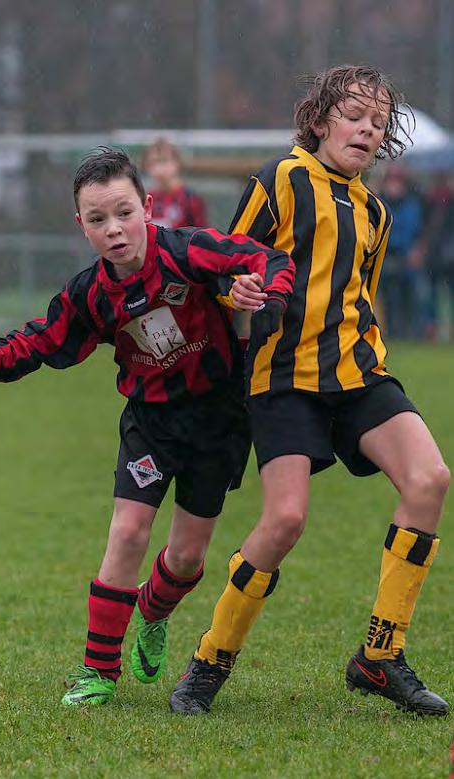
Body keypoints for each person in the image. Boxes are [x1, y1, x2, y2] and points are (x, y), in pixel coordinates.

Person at [0, 147, 295, 707]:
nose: (114, 229)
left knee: (185, 559)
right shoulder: (89, 294)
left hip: (220, 422)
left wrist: (269, 294)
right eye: (98, 219)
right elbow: (41, 339)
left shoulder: (189, 251)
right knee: (128, 533)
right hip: (151, 424)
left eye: (124, 212)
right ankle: (98, 672)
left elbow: (267, 258)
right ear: (79, 225)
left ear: (148, 207)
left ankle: (153, 614)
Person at [169, 64, 450, 717]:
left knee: (429, 479)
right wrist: (232, 289)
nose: (366, 129)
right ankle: (209, 659)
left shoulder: (374, 212)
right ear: (320, 121)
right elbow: (225, 259)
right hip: (283, 377)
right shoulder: (280, 179)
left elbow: (361, 296)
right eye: (354, 115)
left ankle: (378, 656)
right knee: (285, 519)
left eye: (377, 123)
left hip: (358, 373)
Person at [377, 163, 427, 340]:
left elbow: (419, 231)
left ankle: (411, 332)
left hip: (406, 259)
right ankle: (393, 332)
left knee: (410, 297)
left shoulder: (412, 204)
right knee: (389, 299)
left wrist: (417, 251)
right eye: (391, 180)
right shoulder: (379, 203)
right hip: (386, 258)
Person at [142, 137, 208, 229]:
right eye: (153, 162)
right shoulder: (144, 200)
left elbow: (202, 236)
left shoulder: (190, 199)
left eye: (164, 161)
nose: (159, 169)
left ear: (177, 163)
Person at [422, 171, 454, 341]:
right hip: (434, 257)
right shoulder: (427, 200)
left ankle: (442, 329)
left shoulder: (448, 201)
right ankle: (432, 330)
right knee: (432, 297)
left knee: (442, 295)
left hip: (448, 257)